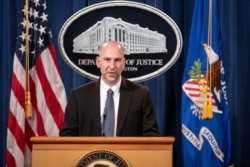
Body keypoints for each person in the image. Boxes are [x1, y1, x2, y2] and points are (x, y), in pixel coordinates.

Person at [59, 41, 159, 136]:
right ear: (98, 62)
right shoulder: (78, 96)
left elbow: (151, 136)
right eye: (107, 59)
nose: (112, 66)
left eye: (117, 60)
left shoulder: (140, 94)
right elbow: (68, 136)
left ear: (124, 63)